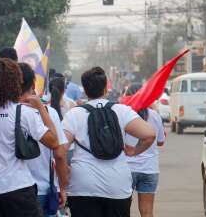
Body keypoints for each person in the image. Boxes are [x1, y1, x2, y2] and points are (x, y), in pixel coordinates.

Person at [0, 58, 63, 217]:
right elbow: (53, 141)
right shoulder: (22, 112)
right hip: (19, 190)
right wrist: (40, 108)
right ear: (13, 83)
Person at [62, 67, 156, 217]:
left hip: (83, 187)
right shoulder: (122, 111)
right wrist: (134, 151)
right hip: (117, 187)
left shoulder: (74, 114)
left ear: (85, 90)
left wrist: (63, 178)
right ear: (106, 88)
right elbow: (150, 134)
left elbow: (60, 152)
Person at [19, 63, 69, 217]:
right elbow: (60, 154)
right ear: (33, 84)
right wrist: (62, 188)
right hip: (43, 189)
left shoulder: (5, 112)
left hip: (13, 190)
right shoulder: (50, 112)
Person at [124, 84, 166, 217]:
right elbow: (160, 141)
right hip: (149, 169)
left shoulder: (123, 116)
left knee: (123, 210)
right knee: (147, 212)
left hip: (126, 169)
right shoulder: (155, 116)